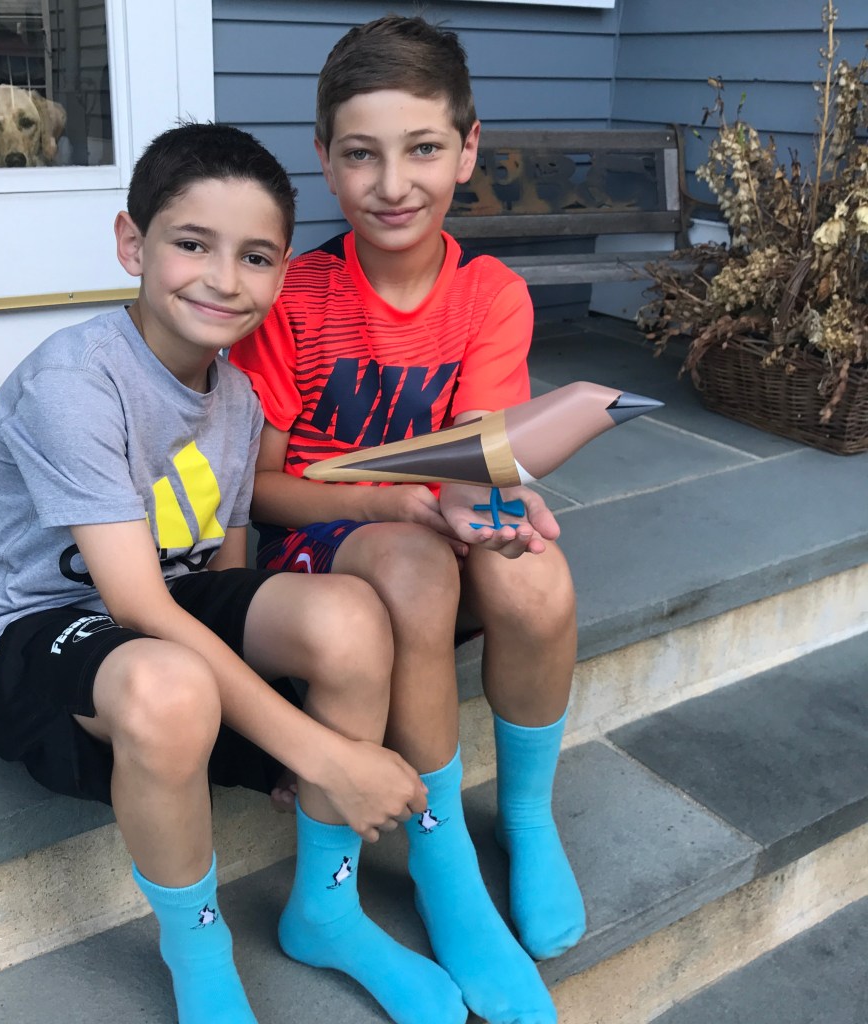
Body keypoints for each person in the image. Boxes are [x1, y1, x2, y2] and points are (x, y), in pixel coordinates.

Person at [0, 122, 470, 1024]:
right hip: (39, 628)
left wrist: (264, 732)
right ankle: (199, 951)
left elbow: (223, 579)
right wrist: (321, 753)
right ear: (132, 244)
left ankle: (328, 912)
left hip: (163, 612)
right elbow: (137, 604)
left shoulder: (236, 398)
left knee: (348, 616)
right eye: (193, 244)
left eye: (256, 257)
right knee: (170, 687)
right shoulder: (74, 382)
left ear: (280, 272)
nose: (225, 279)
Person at [230, 16, 586, 1024]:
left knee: (535, 570)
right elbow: (257, 489)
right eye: (362, 154)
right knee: (416, 564)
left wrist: (502, 505)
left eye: (423, 148)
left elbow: (479, 458)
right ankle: (442, 859)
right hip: (324, 553)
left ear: (467, 149)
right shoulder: (292, 298)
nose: (393, 183)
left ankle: (525, 816)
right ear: (324, 160)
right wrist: (394, 501)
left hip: (432, 533)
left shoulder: (489, 297)